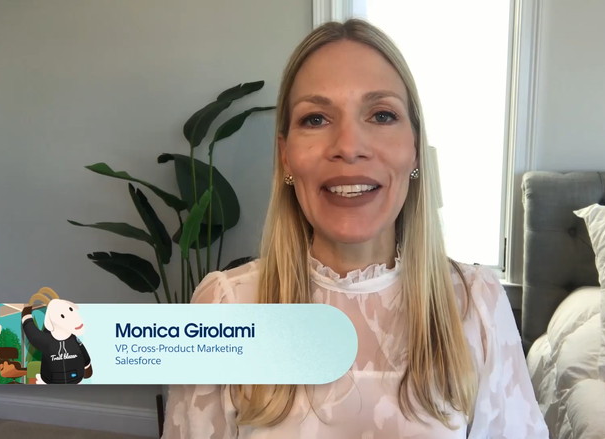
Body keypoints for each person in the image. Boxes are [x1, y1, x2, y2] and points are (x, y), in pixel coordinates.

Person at [163, 18, 548, 438]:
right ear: (286, 156)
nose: (348, 147)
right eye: (315, 119)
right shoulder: (223, 307)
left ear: (415, 150)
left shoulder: (477, 306)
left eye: (382, 115)